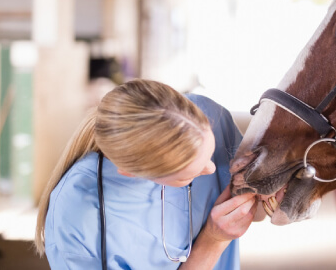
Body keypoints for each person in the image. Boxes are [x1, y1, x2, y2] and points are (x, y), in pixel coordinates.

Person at [34, 79, 256, 269]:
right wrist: (213, 240)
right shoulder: (77, 216)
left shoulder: (210, 115)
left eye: (211, 151)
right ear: (131, 173)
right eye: (186, 176)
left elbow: (259, 211)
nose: (212, 170)